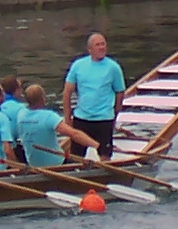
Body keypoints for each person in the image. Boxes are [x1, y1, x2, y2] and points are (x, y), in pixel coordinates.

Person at [62, 32, 126, 161]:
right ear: (89, 49)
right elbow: (67, 92)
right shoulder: (78, 65)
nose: (102, 47)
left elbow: (120, 92)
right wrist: (67, 117)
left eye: (103, 44)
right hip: (82, 118)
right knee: (76, 156)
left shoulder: (113, 68)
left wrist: (115, 112)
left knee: (105, 154)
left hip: (104, 119)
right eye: (98, 45)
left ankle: (106, 177)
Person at [15, 83, 97, 167]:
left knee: (65, 141)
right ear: (43, 99)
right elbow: (74, 134)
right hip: (57, 164)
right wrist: (96, 145)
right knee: (72, 138)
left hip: (34, 165)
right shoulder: (48, 116)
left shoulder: (21, 114)